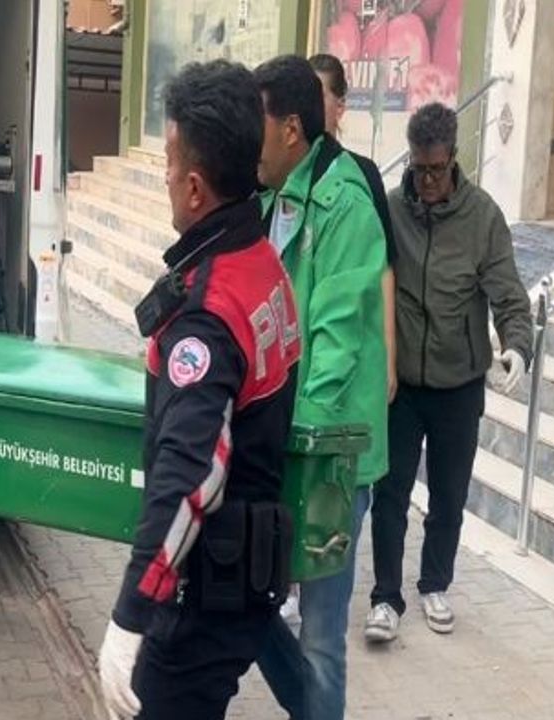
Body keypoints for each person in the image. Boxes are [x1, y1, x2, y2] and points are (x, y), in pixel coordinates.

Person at [96, 59, 300, 720]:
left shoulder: (209, 315)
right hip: (240, 577)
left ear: (192, 188)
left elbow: (193, 476)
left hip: (203, 597)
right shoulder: (261, 261)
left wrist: (131, 615)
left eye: (166, 163)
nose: (162, 177)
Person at [252, 54, 388, 720]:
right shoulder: (271, 198)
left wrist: (298, 446)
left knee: (322, 635)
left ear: (290, 130)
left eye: (257, 122)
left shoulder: (345, 205)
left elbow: (334, 346)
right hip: (286, 438)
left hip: (332, 454)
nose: (248, 138)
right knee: (250, 601)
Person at [365, 103, 532, 642]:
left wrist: (517, 348)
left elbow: (509, 295)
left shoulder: (483, 218)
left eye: (436, 169)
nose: (428, 181)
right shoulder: (392, 210)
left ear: (454, 158)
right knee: (390, 496)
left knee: (448, 496)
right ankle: (385, 597)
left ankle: (435, 583)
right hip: (401, 386)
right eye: (419, 169)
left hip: (459, 383)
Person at [310, 53, 399, 404]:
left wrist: (388, 357)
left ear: (340, 106)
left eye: (318, 97)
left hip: (352, 339)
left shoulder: (362, 175)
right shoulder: (281, 177)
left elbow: (384, 268)